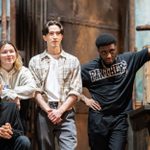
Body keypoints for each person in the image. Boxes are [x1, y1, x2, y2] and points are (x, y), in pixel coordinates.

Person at [80, 33, 150, 150]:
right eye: (104, 52)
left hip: (119, 119)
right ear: (98, 52)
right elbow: (69, 86)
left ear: (115, 48)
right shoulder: (88, 69)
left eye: (111, 51)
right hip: (98, 119)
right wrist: (85, 99)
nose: (108, 56)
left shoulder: (128, 60)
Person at [29, 19, 82, 150]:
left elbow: (76, 90)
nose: (55, 36)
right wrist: (49, 111)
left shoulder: (72, 61)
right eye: (51, 33)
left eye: (58, 33)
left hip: (66, 111)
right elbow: (35, 90)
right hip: (44, 111)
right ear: (44, 37)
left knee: (69, 147)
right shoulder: (35, 61)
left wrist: (60, 111)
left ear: (62, 36)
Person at [0, 41, 36, 132]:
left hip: (19, 115)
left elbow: (32, 89)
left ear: (16, 53)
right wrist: (14, 96)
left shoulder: (23, 71)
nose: (9, 54)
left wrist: (11, 93)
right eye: (4, 52)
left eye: (11, 51)